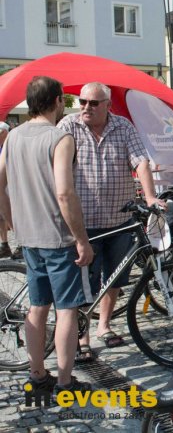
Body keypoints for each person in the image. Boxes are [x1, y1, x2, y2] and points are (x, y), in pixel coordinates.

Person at [58, 82, 165, 362]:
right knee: (86, 282)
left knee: (115, 277)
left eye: (93, 103)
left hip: (120, 219)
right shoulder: (68, 126)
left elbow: (140, 161)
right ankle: (81, 336)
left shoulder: (123, 127)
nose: (86, 107)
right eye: (82, 101)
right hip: (84, 222)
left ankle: (103, 325)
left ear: (108, 105)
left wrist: (151, 197)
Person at [0, 76, 95, 393]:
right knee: (66, 309)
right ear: (58, 101)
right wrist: (81, 239)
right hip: (57, 237)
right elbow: (65, 194)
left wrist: (11, 218)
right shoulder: (60, 138)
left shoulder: (12, 137)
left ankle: (38, 374)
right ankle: (66, 382)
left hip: (28, 238)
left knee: (37, 307)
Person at [0, 122, 11, 258]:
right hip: (3, 185)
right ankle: (5, 244)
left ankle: (21, 244)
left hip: (12, 185)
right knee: (1, 217)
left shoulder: (11, 145)